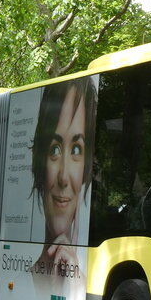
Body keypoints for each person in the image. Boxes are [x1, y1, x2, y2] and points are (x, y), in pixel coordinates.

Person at [29, 77, 97, 287]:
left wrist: (76, 286)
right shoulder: (19, 282)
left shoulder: (84, 289)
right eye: (54, 150)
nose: (64, 178)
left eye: (76, 149)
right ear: (40, 163)